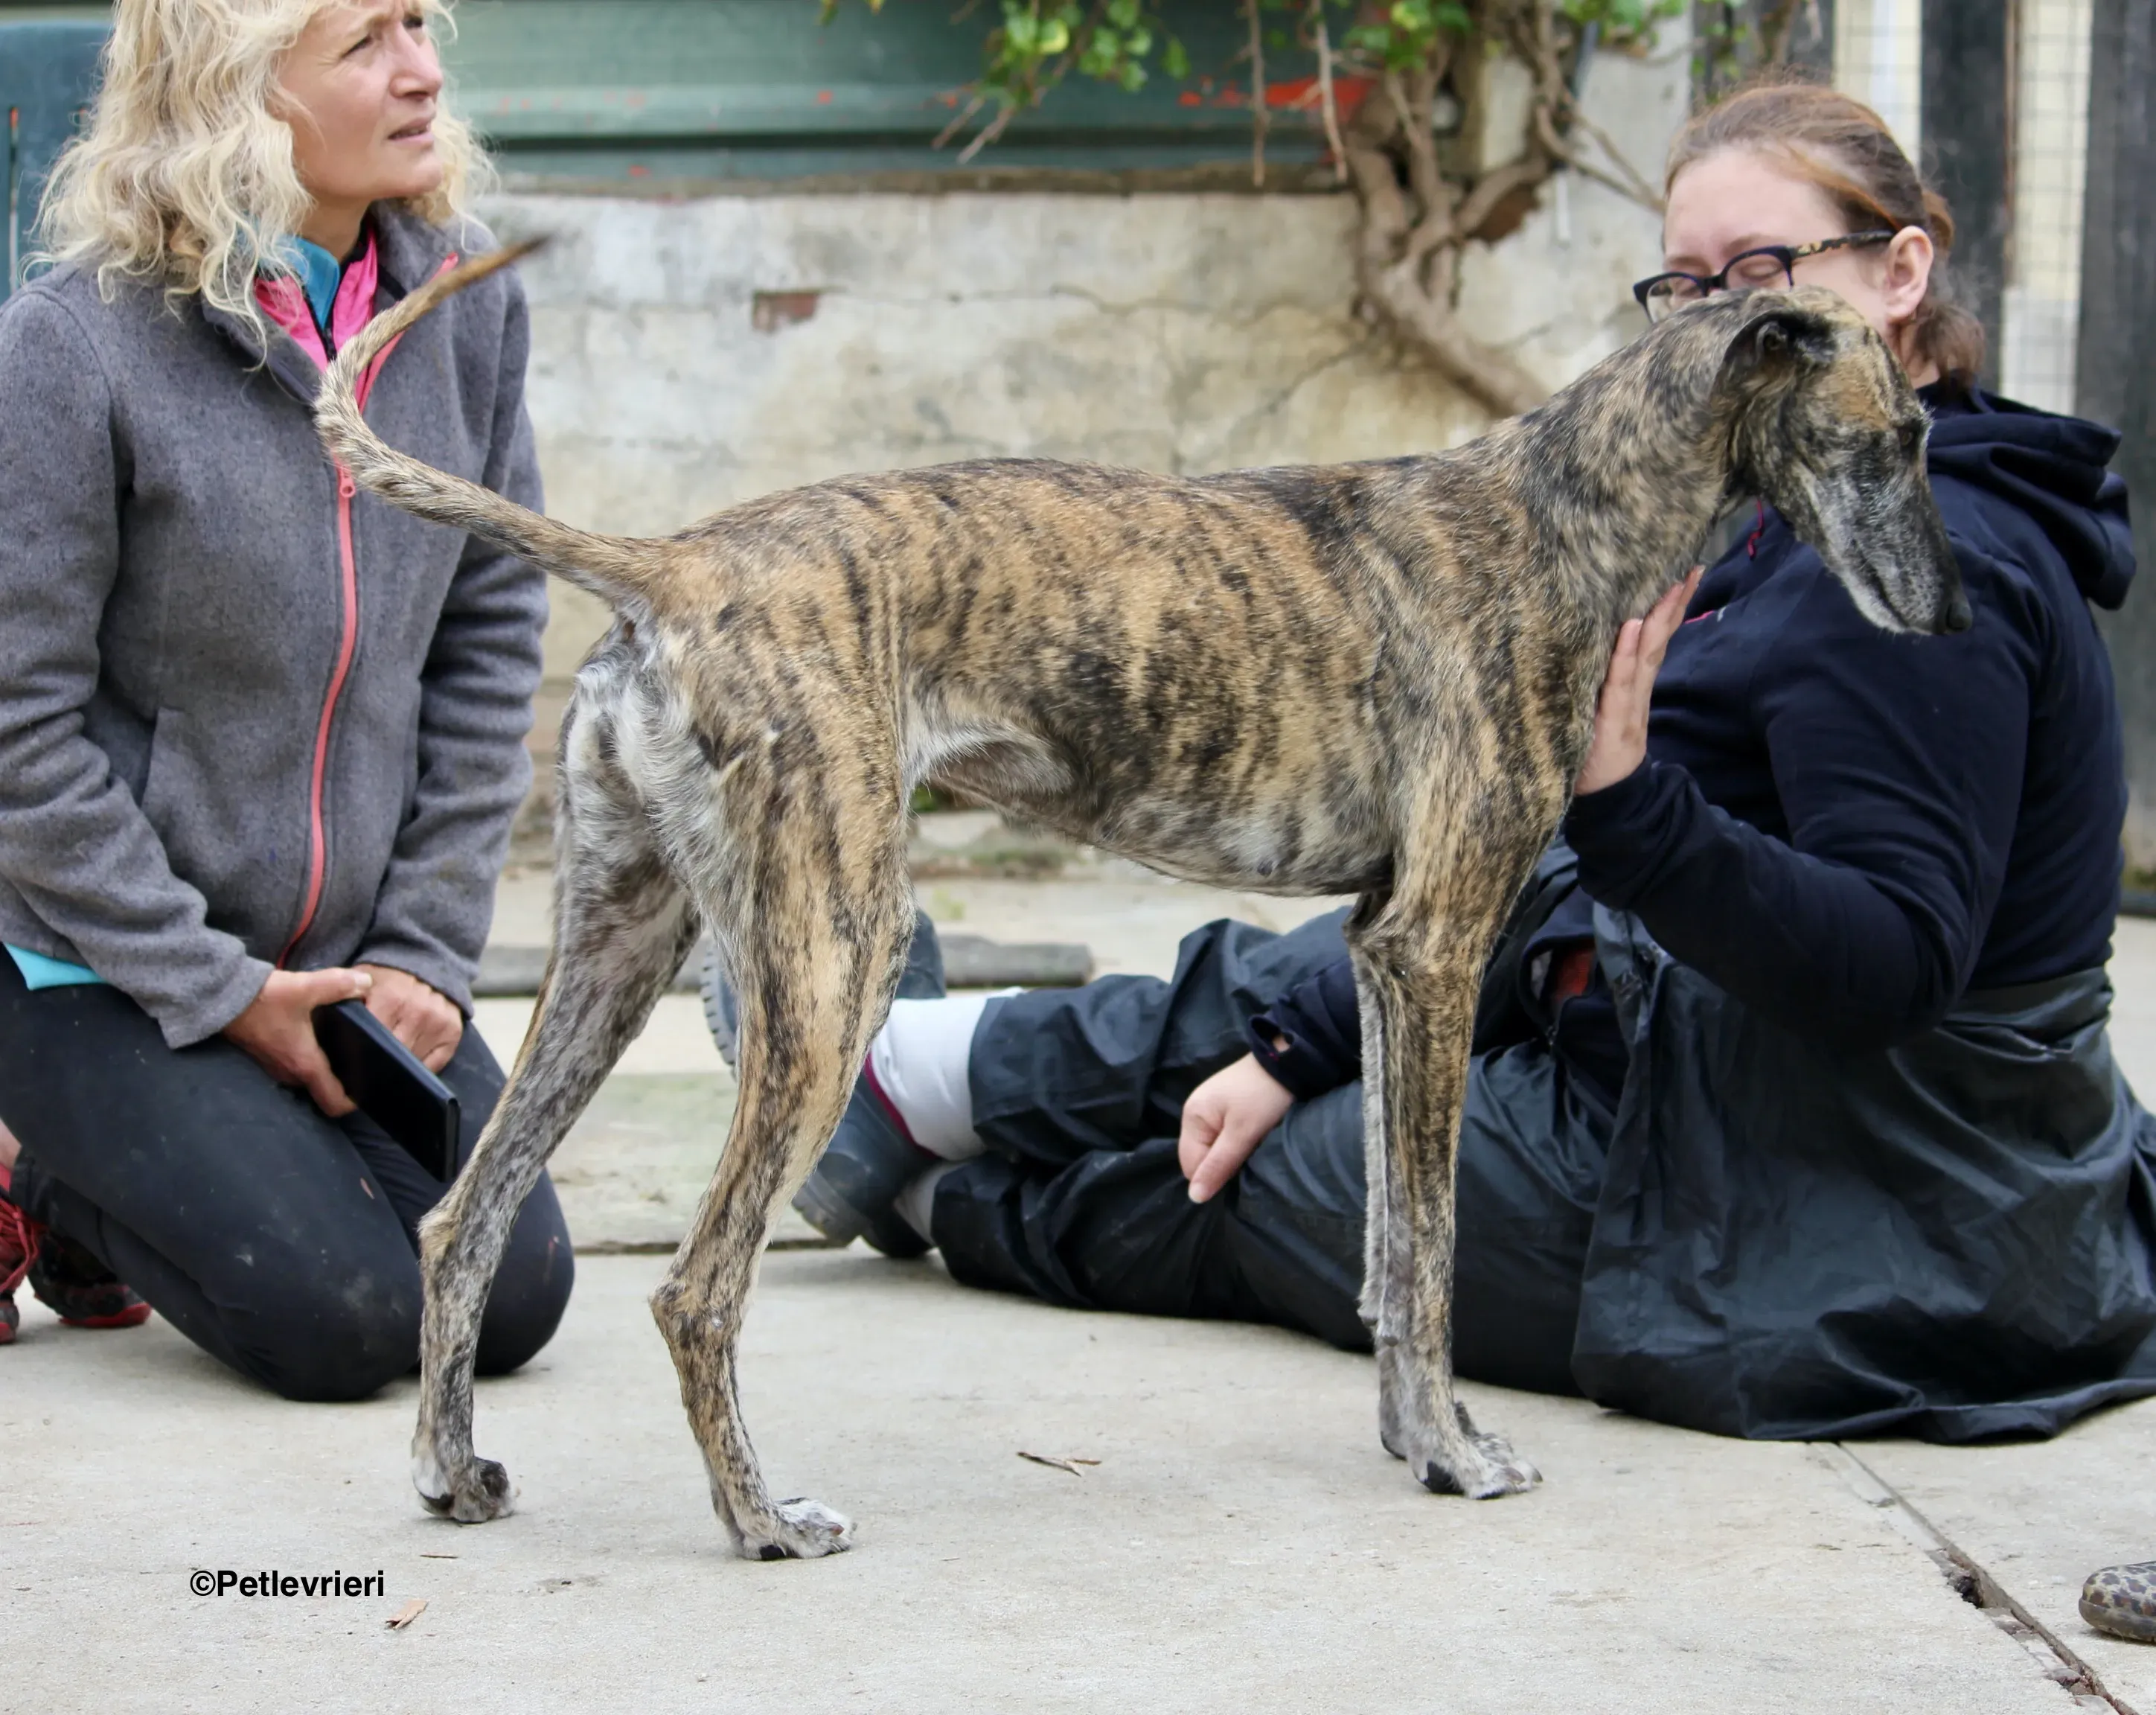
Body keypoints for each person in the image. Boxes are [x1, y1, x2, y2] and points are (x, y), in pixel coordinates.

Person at [751, 77, 2156, 1444]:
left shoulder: (1914, 574)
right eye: (1688, 284)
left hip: (1858, 1196)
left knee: (1289, 1182)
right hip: (1702, 1050)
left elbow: (1893, 967)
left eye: (1766, 268)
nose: (1726, 320)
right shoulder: (1769, 508)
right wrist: (1303, 1039)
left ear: (1902, 272)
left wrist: (1627, 809)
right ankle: (896, 1077)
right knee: (1282, 988)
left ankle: (941, 1197)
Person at [0, 0, 572, 1397]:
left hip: (345, 958)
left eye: (424, 22)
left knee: (512, 1300)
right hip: (95, 954)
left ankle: (153, 1168)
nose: (426, 67)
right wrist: (220, 988)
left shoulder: (465, 307)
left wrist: (426, 956)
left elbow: (491, 640)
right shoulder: (74, 346)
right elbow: (16, 726)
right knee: (346, 1326)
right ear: (242, 91)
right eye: (367, 40)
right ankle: (55, 1173)